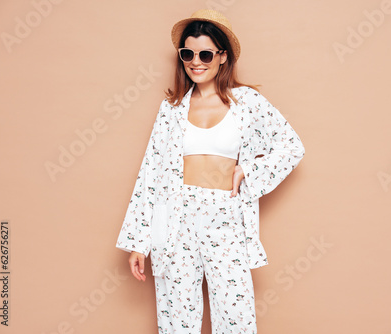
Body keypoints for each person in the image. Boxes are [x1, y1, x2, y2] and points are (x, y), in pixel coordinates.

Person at [116, 9, 305, 333]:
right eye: (187, 53)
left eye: (205, 53)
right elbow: (150, 172)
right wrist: (139, 241)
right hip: (176, 219)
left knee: (235, 314)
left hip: (225, 218)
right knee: (177, 317)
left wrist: (248, 170)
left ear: (222, 56)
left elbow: (291, 146)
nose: (195, 61)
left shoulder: (247, 102)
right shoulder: (172, 108)